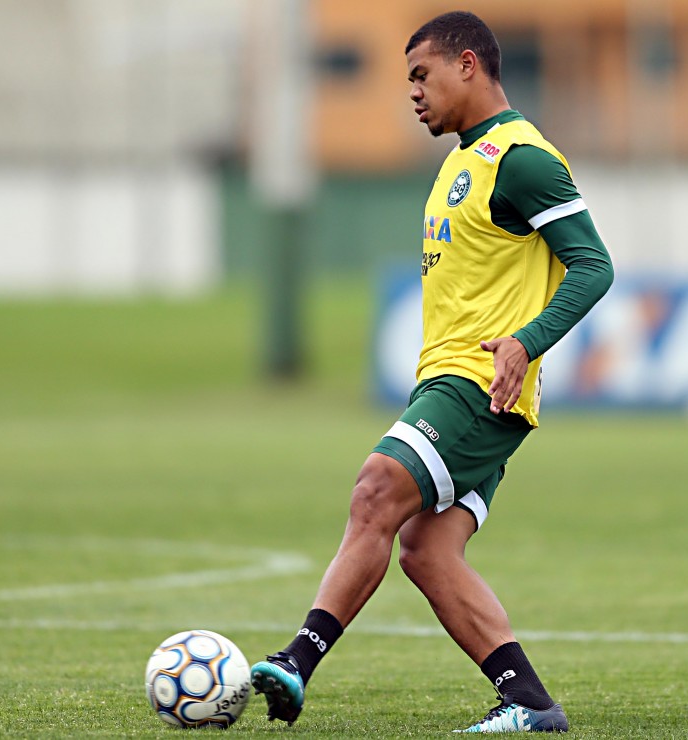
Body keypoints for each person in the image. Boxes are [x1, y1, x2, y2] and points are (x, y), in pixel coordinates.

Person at [250, 11, 614, 733]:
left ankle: (297, 661)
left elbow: (593, 265)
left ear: (468, 64)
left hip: (478, 385)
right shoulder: (459, 162)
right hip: (455, 385)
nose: (412, 92)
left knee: (374, 490)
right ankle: (530, 703)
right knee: (425, 551)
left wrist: (525, 342)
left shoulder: (522, 159)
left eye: (422, 75)